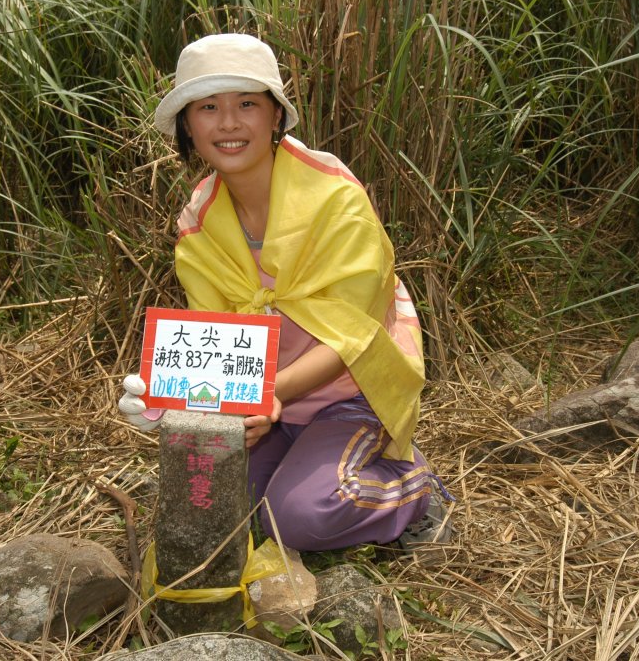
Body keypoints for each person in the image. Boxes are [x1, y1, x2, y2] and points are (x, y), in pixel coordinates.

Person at [119, 33, 451, 551]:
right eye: (208, 107)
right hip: (270, 405)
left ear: (276, 115)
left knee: (297, 519)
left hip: (350, 392)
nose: (229, 123)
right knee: (220, 505)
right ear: (188, 125)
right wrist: (166, 401)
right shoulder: (199, 222)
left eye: (247, 103)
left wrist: (269, 395)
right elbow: (217, 347)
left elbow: (353, 335)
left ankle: (415, 490)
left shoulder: (335, 198)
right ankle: (302, 464)